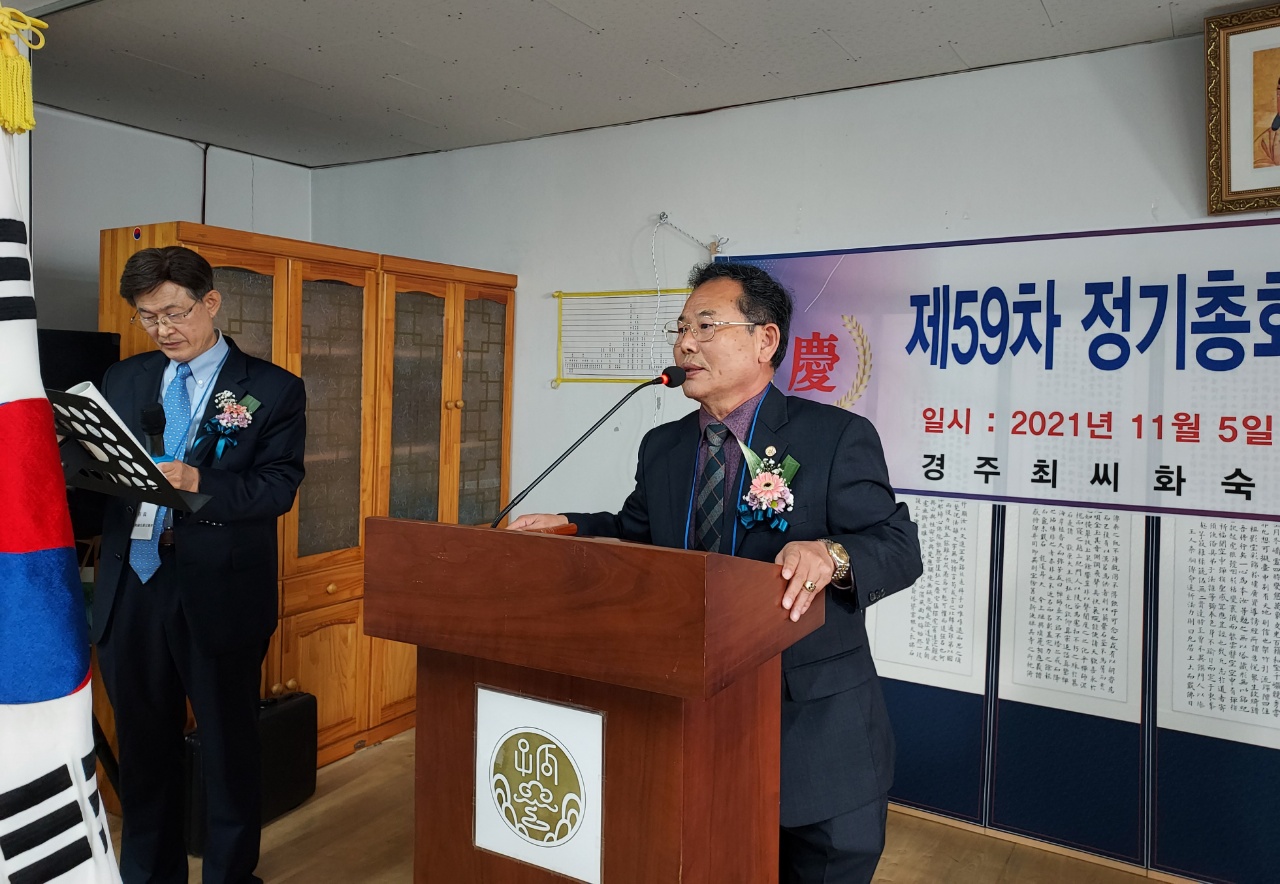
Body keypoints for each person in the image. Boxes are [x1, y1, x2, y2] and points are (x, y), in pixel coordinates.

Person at [509, 261, 921, 884]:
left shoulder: (835, 436)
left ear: (765, 340)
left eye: (706, 326)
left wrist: (832, 555)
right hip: (693, 722)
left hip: (814, 738)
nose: (685, 344)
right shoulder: (665, 446)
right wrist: (568, 525)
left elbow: (896, 546)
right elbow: (638, 531)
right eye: (681, 329)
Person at [92, 247, 306, 884]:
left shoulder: (271, 388)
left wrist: (199, 481)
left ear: (210, 302)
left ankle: (229, 876)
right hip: (132, 585)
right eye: (148, 317)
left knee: (226, 749)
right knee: (143, 749)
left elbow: (278, 487)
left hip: (218, 591)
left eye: (175, 313)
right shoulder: (123, 379)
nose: (163, 329)